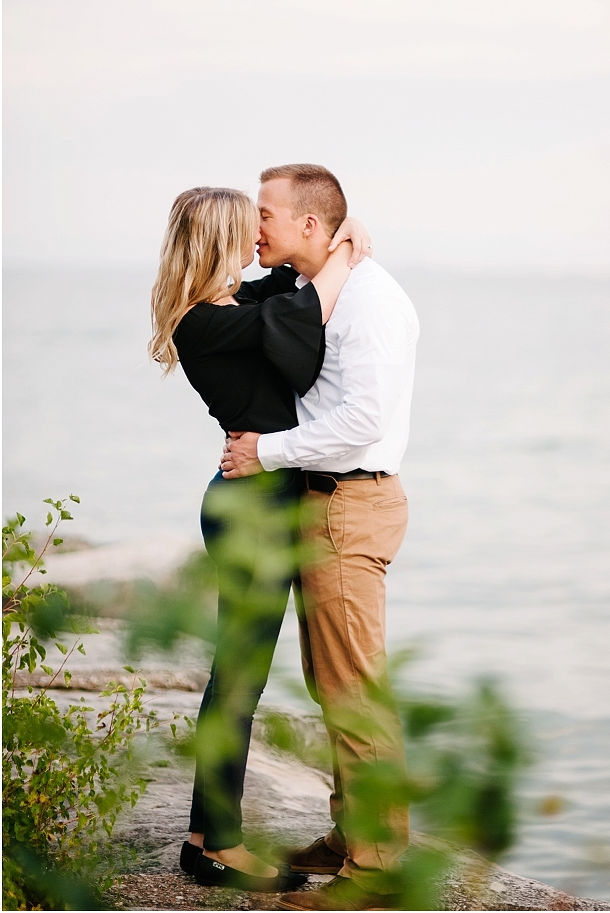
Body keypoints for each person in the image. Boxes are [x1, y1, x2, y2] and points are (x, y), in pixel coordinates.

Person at [149, 185, 370, 894]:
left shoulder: (234, 304)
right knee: (238, 681)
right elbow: (302, 309)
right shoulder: (202, 323)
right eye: (246, 230)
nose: (256, 241)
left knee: (237, 677)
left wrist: (329, 239)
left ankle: (200, 838)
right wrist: (344, 252)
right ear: (217, 238)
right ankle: (221, 847)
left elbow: (282, 286)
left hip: (258, 498)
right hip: (250, 509)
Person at [220, 164, 419, 912]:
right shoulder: (323, 287)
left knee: (355, 691)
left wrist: (263, 452)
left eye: (264, 213)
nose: (254, 227)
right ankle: (351, 836)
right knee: (332, 685)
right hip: (324, 503)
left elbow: (363, 422)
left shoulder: (368, 301)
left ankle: (376, 871)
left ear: (309, 223)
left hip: (349, 503)